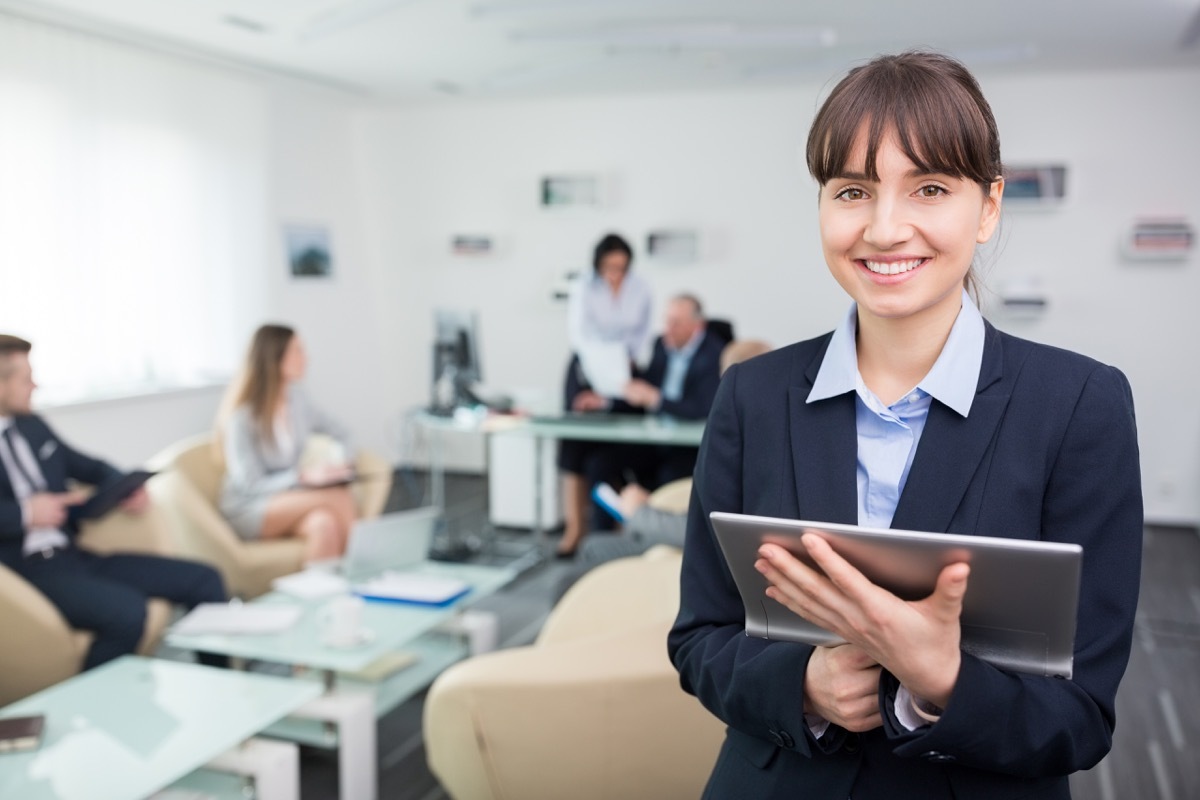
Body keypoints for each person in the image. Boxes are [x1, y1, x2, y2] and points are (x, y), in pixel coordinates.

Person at [668, 51, 1142, 799]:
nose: (885, 229)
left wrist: (940, 680)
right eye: (852, 190)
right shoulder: (750, 398)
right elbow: (700, 638)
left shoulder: (1080, 406)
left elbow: (1081, 717)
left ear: (987, 207)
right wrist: (806, 687)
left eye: (928, 187)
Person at [0, 335, 227, 670]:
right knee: (127, 611)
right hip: (25, 575)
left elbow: (91, 467)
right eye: (25, 378)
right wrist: (25, 513)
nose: (35, 385)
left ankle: (219, 687)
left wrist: (125, 486)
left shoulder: (32, 426)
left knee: (205, 579)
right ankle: (93, 712)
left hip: (74, 557)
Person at [217, 324, 357, 563]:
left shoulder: (298, 400)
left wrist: (340, 463)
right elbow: (250, 484)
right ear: (275, 358)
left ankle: (319, 598)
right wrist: (303, 478)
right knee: (335, 496)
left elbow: (343, 432)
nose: (306, 357)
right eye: (298, 351)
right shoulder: (242, 417)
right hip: (248, 506)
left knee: (324, 524)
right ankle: (367, 575)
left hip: (288, 499)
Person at [557, 233, 653, 557]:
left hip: (625, 367)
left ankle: (616, 525)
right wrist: (602, 374)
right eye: (610, 267)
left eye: (621, 267)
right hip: (587, 366)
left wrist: (622, 368)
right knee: (573, 445)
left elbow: (641, 331)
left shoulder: (639, 288)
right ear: (598, 264)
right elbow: (580, 334)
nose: (616, 273)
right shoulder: (584, 287)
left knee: (619, 444)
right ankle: (574, 528)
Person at [620, 293, 725, 488]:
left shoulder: (715, 354)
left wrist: (656, 400)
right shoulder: (661, 344)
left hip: (689, 447)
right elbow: (649, 382)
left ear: (698, 325)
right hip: (654, 437)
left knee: (668, 474)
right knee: (605, 461)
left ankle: (652, 516)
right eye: (667, 321)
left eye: (676, 323)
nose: (668, 329)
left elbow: (701, 408)